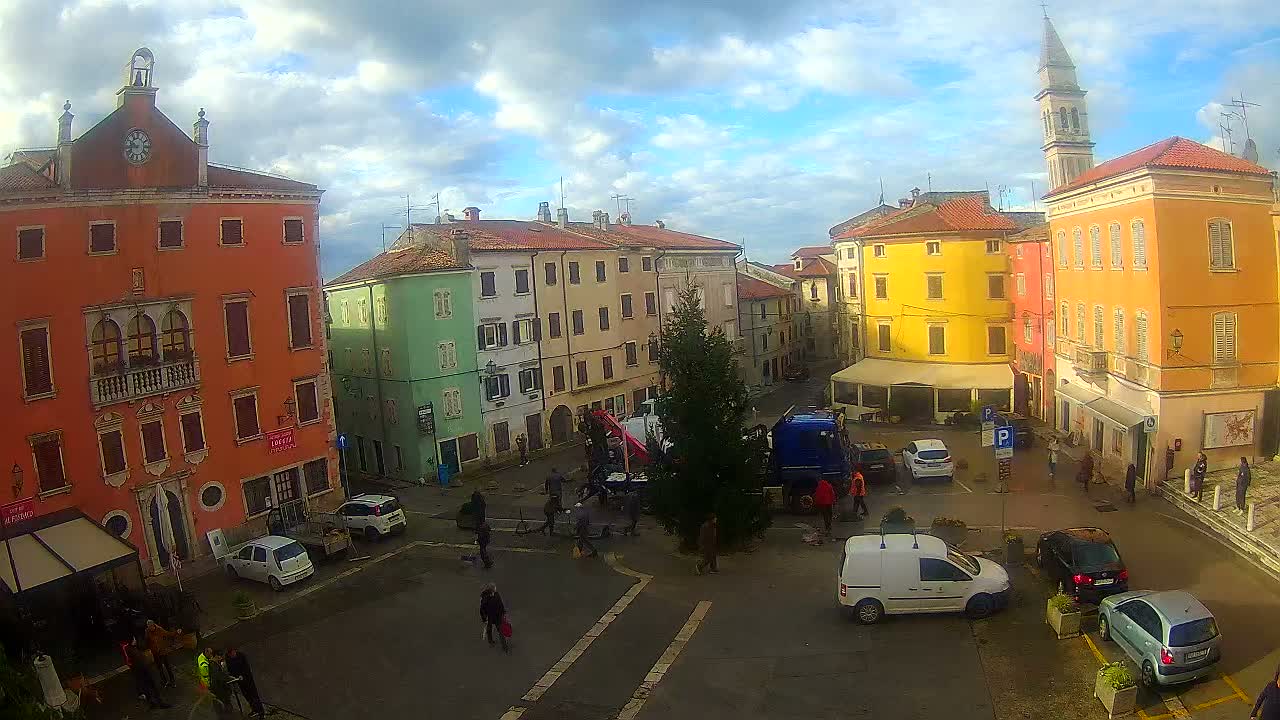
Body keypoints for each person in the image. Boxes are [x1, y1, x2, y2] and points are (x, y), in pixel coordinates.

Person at [125, 636, 170, 709]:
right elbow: (138, 661)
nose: (135, 640)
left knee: (147, 688)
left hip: (141, 671)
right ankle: (159, 703)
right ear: (131, 641)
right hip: (143, 671)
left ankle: (153, 703)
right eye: (134, 639)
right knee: (152, 687)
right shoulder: (132, 650)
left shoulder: (131, 649)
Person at [225, 647, 264, 717]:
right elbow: (230, 669)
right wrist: (232, 676)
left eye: (233, 653)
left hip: (247, 680)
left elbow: (246, 668)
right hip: (240, 681)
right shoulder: (228, 659)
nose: (232, 655)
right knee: (247, 696)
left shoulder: (241, 656)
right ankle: (254, 709)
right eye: (231, 654)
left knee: (253, 695)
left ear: (234, 651)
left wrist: (242, 675)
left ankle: (260, 711)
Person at [144, 619, 178, 688]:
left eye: (151, 627)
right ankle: (164, 681)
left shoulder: (159, 629)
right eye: (149, 627)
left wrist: (176, 632)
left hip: (163, 652)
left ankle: (172, 681)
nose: (150, 628)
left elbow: (168, 634)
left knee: (167, 666)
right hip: (155, 653)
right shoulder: (147, 631)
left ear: (153, 625)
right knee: (160, 668)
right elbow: (147, 641)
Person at [479, 583, 510, 653]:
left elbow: (500, 604)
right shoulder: (487, 598)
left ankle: (501, 645)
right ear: (492, 590)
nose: (496, 589)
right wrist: (484, 618)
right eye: (495, 588)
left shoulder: (494, 595)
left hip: (494, 616)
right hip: (493, 617)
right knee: (497, 630)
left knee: (495, 630)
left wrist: (503, 612)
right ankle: (502, 646)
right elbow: (482, 609)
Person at [207, 650, 234, 718]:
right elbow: (218, 678)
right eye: (220, 657)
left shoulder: (214, 664)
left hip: (220, 690)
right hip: (221, 690)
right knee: (225, 705)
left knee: (224, 705)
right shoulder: (214, 666)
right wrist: (228, 678)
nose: (222, 659)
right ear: (216, 656)